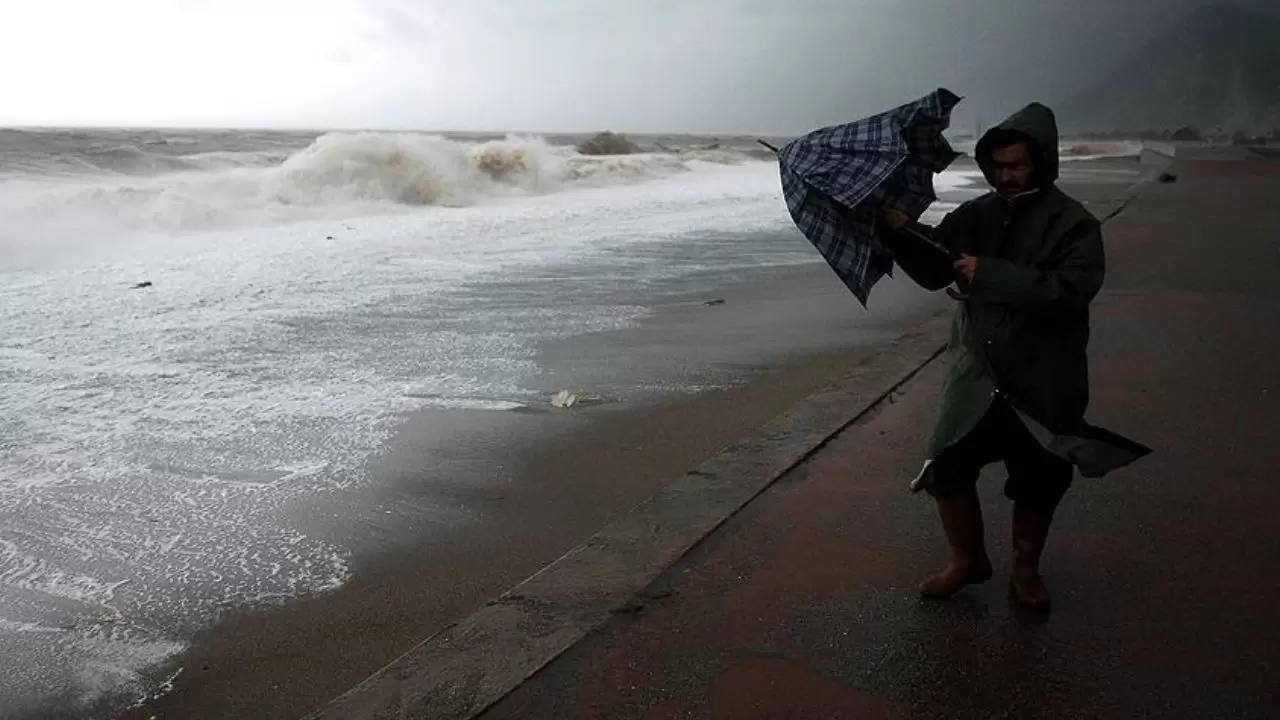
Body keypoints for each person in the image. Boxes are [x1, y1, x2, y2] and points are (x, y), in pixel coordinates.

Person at [881, 102, 1104, 612]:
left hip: (1043, 375)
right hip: (977, 373)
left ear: (1041, 161)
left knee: (1040, 477)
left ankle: (1025, 567)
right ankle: (968, 560)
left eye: (1016, 165)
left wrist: (991, 274)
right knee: (946, 466)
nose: (1005, 176)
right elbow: (936, 268)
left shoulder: (1075, 225)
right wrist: (898, 230)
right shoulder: (974, 215)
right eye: (997, 166)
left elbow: (1069, 291)